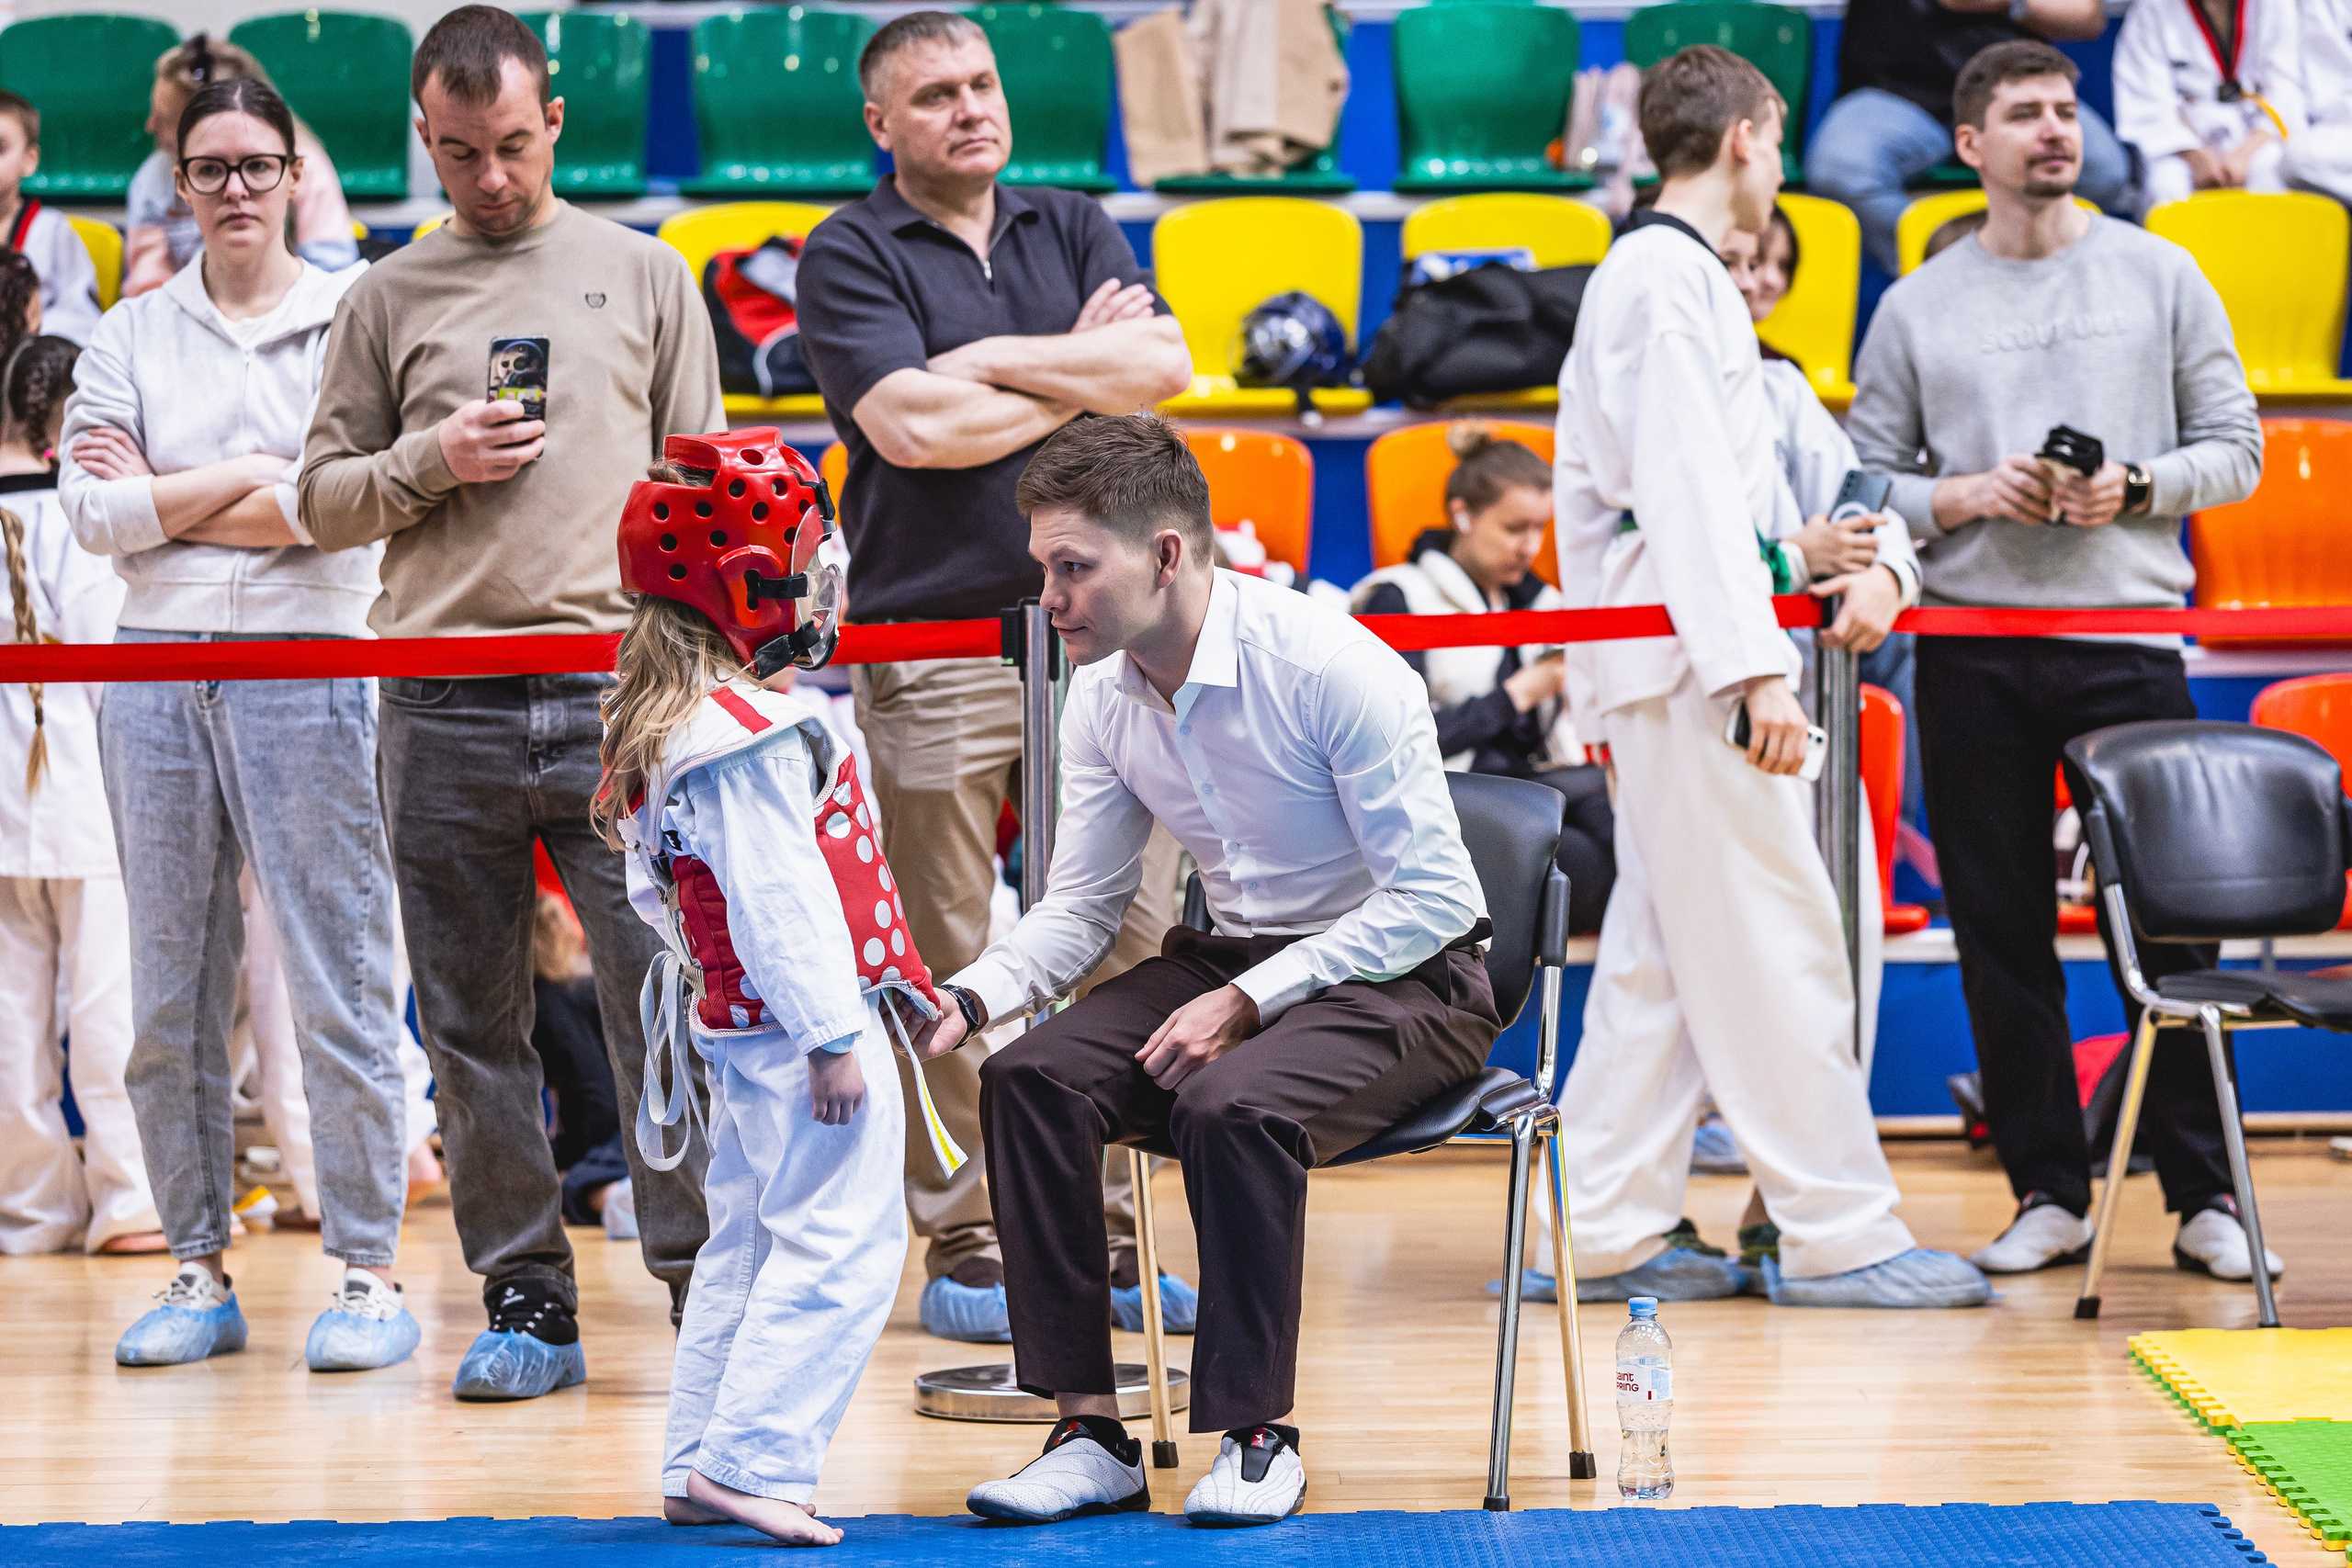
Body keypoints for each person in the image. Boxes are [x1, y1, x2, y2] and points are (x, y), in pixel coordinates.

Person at [906, 414, 1498, 1529]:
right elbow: (1080, 908)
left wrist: (1248, 1000)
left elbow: (1434, 901)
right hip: (1233, 959)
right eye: (1044, 568)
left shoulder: (1331, 665)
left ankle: (1258, 1439)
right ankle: (1089, 1432)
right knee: (1028, 1078)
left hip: (1413, 975)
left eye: (1074, 568)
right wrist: (971, 996)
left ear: (1166, 555)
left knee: (1230, 1104)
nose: (1050, 598)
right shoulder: (1103, 695)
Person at [299, 6, 725, 1399]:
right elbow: (319, 497)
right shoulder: (381, 297)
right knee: (471, 1017)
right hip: (438, 697)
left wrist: (705, 686)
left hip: (622, 692)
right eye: (459, 154)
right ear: (425, 142)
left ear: (558, 128)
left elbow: (705, 488)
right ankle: (527, 1295)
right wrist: (430, 457)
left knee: (660, 1003)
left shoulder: (649, 274)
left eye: (514, 147)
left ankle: (700, 1288)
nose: (489, 179)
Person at [1550, 45, 1989, 1312]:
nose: (1783, 168)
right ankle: (1839, 1230)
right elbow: (1687, 493)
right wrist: (1758, 676)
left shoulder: (1669, 282)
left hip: (1677, 657)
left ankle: (1601, 1222)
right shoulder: (1663, 278)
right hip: (1700, 667)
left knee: (1664, 958)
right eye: (1779, 141)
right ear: (1745, 136)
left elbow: (1723, 496)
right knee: (1781, 936)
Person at [796, 10, 1198, 1343]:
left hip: (1108, 648)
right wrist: (1075, 380)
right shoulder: (848, 250)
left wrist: (978, 365)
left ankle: (1117, 1235)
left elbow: (1164, 369)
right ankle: (972, 1233)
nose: (970, 108)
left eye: (982, 83)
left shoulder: (1075, 222)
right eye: (934, 95)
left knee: (1135, 941)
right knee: (954, 955)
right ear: (881, 125)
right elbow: (907, 429)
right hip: (940, 643)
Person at [1847, 40, 2273, 1281]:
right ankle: (2050, 1188)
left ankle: (2207, 1193)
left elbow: (2237, 450)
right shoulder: (1919, 303)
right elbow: (1868, 484)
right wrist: (1967, 495)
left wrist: (2134, 486)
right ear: (1969, 145)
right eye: (2023, 114)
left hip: (2126, 638)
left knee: (2176, 928)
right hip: (1973, 649)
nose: (2054, 131)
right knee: (2000, 927)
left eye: (2065, 110)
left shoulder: (2160, 268)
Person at [59, 77, 417, 1372]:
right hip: (152, 664)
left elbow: (354, 501)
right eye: (208, 170)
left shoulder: (356, 316)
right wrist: (257, 479)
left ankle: (370, 1271)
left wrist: (165, 490)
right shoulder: (129, 329)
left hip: (316, 654)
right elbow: (90, 517)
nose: (233, 191)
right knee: (170, 989)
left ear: (294, 174)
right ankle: (196, 1263)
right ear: (179, 184)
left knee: (342, 974)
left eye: (255, 166)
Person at [600, 435, 917, 1546]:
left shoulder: (665, 726)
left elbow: (674, 906)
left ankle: (701, 1460)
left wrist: (741, 1009)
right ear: (745, 583)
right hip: (804, 1036)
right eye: (803, 565)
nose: (819, 587)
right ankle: (758, 1461)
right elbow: (780, 901)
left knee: (745, 1240)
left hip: (746, 1032)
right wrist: (834, 1032)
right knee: (841, 1243)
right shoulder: (750, 737)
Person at [0, 333, 164, 1258]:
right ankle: (129, 1199)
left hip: (11, 780)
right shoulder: (71, 519)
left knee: (12, 1014)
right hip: (78, 775)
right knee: (104, 1004)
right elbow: (111, 665)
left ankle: (31, 1208)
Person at [1349, 424, 1614, 935]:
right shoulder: (1398, 598)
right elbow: (1397, 744)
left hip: (1532, 784)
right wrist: (1520, 693)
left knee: (1625, 816)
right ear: (1462, 514)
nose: (1530, 547)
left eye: (1540, 529)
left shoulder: (1543, 604)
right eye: (1515, 528)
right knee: (1591, 861)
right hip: (1446, 799)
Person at [1807, 0, 2131, 275]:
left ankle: (2023, 272)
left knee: (2103, 169)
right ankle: (1949, 278)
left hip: (2013, 84)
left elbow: (2087, 16)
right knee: (1840, 167)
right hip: (1893, 87)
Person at [124, 34, 357, 299]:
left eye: (166, 119)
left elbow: (333, 274)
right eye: (209, 170)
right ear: (182, 183)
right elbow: (147, 287)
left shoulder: (309, 169)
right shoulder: (154, 177)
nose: (150, 126)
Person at [2113, 0, 2302, 212]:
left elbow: (2285, 90)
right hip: (2180, 145)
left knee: (2271, 175)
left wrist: (2245, 153)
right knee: (2166, 188)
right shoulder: (2150, 9)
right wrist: (2194, 155)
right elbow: (2146, 102)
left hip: (2255, 138)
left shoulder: (2274, 5)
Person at [0, 93, 99, 345]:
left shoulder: (51, 230)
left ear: (29, 160)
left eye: (0, 148)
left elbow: (84, 318)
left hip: (30, 368)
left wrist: (30, 329)